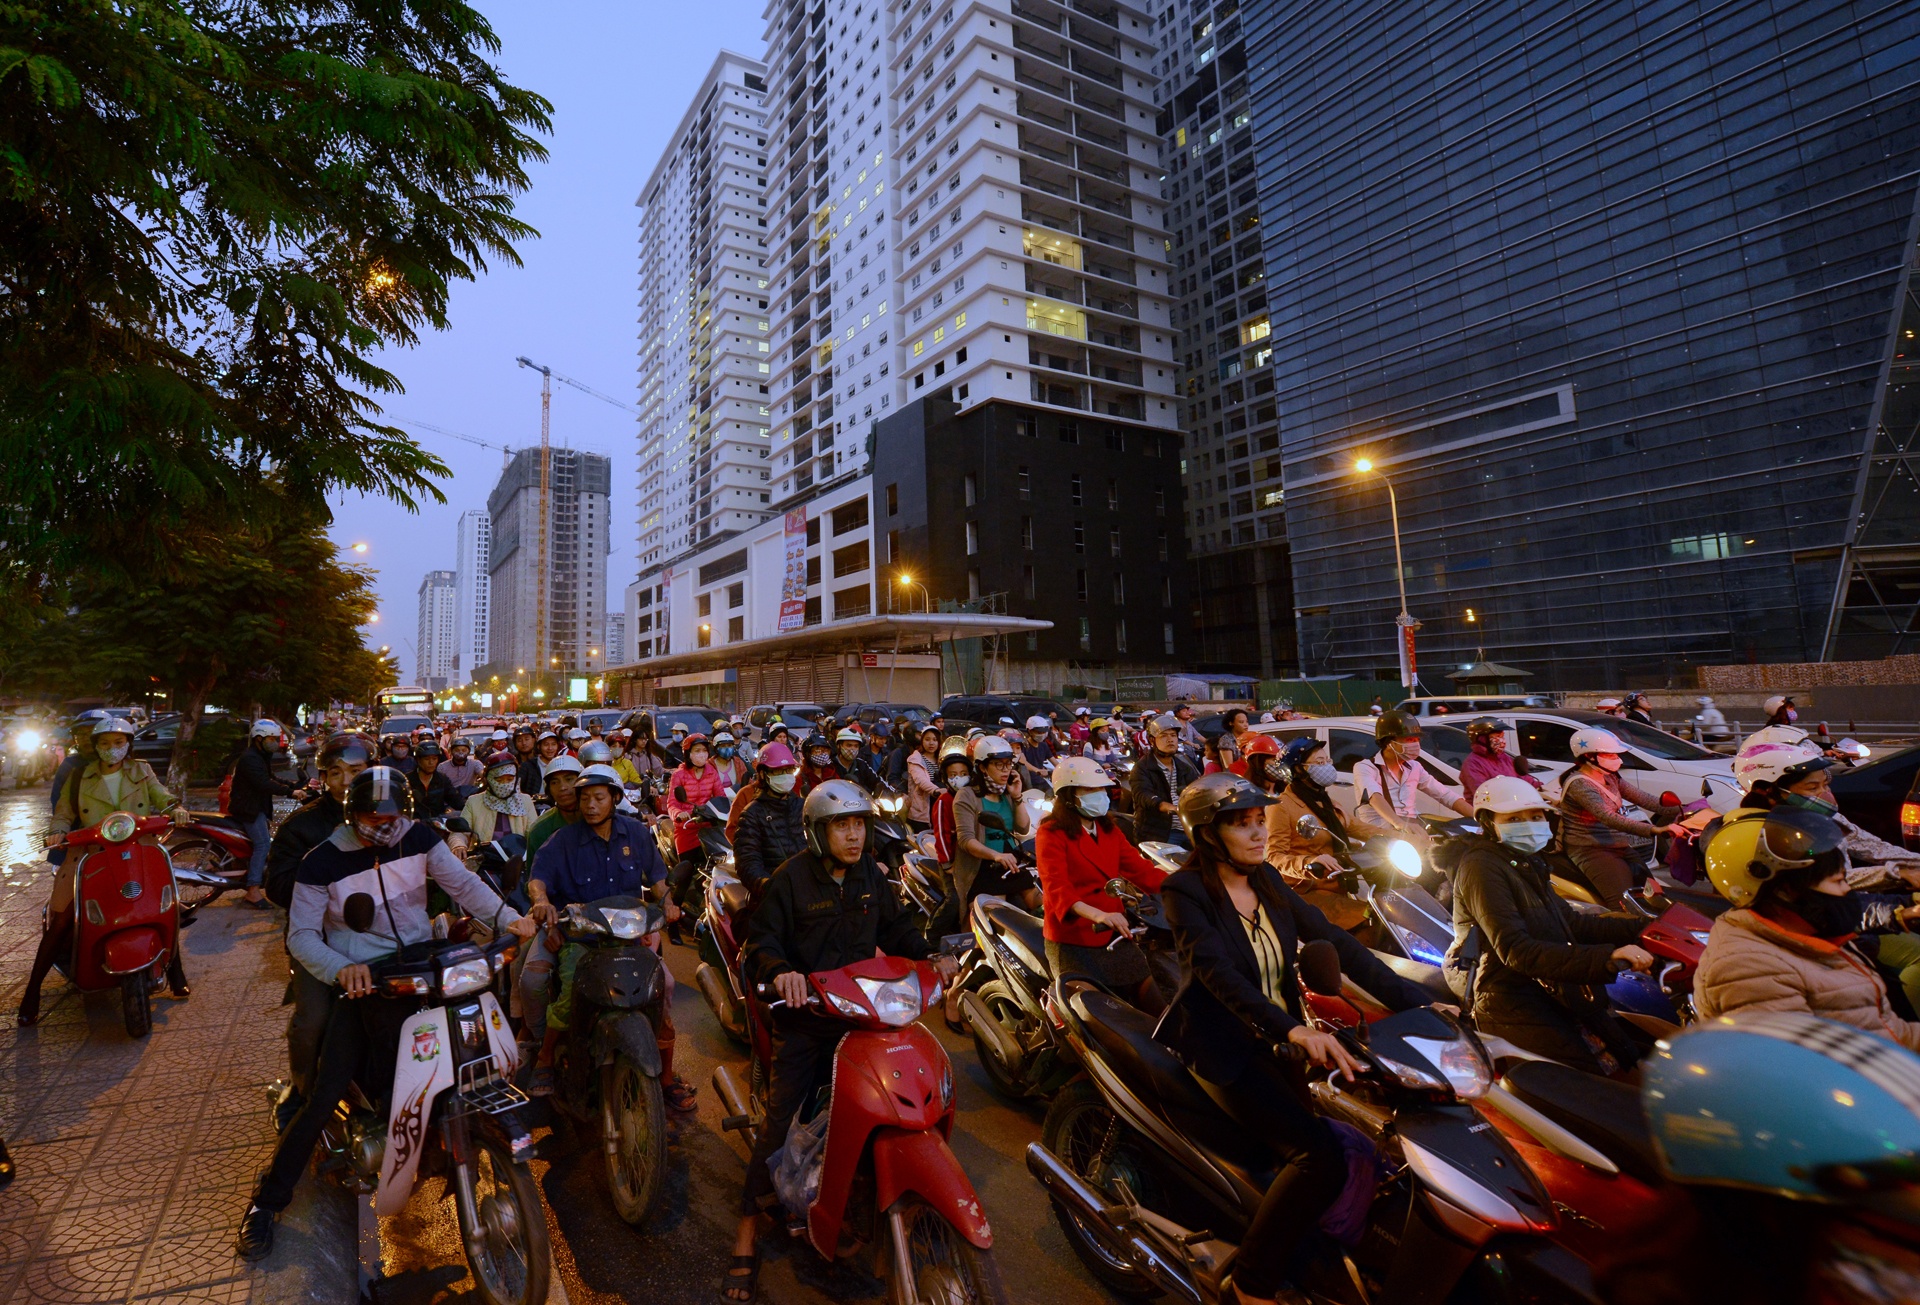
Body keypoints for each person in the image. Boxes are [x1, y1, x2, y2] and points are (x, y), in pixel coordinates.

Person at [1155, 773, 1441, 1305]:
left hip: (1280, 1045)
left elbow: (1336, 942)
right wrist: (1293, 1028)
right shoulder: (1184, 891)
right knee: (1319, 1157)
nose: (1258, 833)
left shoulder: (1267, 880)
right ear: (1209, 835)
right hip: (1224, 1049)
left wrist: (1421, 1002)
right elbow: (1217, 974)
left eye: (1260, 820)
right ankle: (1250, 1284)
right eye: (1242, 824)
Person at [235, 767, 535, 1260]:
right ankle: (266, 1202)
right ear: (352, 815)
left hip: (423, 965)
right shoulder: (321, 862)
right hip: (366, 979)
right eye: (373, 817)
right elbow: (302, 936)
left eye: (392, 817)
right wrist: (343, 968)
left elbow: (462, 885)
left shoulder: (417, 836)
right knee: (323, 1094)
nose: (384, 826)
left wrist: (508, 919)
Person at [722, 781, 952, 1302]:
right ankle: (747, 1231)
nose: (853, 835)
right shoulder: (790, 879)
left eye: (858, 825)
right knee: (780, 1123)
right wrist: (783, 973)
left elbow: (899, 931)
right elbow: (762, 944)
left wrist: (931, 956)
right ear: (819, 832)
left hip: (863, 1016)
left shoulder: (872, 874)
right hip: (807, 1020)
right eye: (841, 826)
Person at [1450, 776, 1654, 1075]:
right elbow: (1516, 951)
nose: (1529, 824)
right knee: (1599, 1089)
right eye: (1514, 818)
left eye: (1535, 816)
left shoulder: (1526, 860)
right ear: (1488, 823)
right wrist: (1606, 958)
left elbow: (1570, 922)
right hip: (1513, 998)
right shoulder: (1482, 866)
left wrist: (1645, 928)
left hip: (1554, 987)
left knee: (1632, 1060)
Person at [521, 765, 694, 1105]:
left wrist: (668, 903)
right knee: (573, 989)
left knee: (665, 987)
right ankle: (545, 1056)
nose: (590, 805)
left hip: (628, 938)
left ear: (615, 798)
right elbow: (538, 877)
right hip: (583, 939)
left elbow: (658, 879)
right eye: (585, 798)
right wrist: (541, 901)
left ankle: (668, 1076)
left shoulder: (636, 834)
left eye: (598, 798)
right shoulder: (564, 840)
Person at [1696, 810, 1920, 1052]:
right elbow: (1803, 1070)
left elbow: (1887, 1031)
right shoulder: (1749, 970)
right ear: (1787, 891)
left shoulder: (1811, 935)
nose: (1848, 891)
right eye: (1838, 882)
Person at [23, 717, 192, 1025]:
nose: (112, 749)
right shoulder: (79, 776)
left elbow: (160, 795)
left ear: (128, 744)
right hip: (90, 853)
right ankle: (32, 992)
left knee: (166, 905)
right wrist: (57, 833)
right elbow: (62, 814)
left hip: (139, 848)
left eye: (118, 743)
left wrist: (174, 809)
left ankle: (176, 969)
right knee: (62, 918)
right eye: (104, 744)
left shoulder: (141, 770)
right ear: (95, 747)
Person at [264, 732, 375, 1127]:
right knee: (312, 1021)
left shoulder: (393, 814)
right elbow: (275, 885)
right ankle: (301, 1088)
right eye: (336, 774)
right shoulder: (303, 825)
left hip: (381, 936)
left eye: (357, 772)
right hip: (318, 939)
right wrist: (327, 888)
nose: (347, 782)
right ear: (323, 777)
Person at [1037, 758, 1170, 1012]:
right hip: (1074, 937)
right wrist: (1099, 914)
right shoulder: (1051, 832)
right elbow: (1056, 888)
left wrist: (1187, 885)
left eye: (1101, 790)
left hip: (1115, 934)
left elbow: (1140, 870)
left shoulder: (1108, 829)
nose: (1099, 796)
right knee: (1091, 1015)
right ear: (1068, 796)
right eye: (1089, 790)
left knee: (1157, 999)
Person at [1559, 726, 1684, 909]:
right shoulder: (1580, 784)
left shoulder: (1611, 777)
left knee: (1653, 894)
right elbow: (1608, 817)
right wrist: (1654, 830)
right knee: (1625, 903)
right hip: (1591, 850)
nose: (1617, 759)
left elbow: (1645, 799)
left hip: (1619, 845)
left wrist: (1685, 810)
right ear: (1589, 756)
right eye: (1610, 755)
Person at [1259, 737, 1369, 932]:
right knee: (1364, 923)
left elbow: (1359, 827)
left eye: (1327, 761)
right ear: (1298, 769)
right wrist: (1309, 862)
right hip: (1308, 889)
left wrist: (1404, 834)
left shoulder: (1326, 802)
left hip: (1340, 884)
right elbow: (1274, 857)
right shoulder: (1282, 807)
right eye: (1319, 763)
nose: (1326, 766)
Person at [1349, 710, 1473, 848]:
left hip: (1413, 834)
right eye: (1409, 740)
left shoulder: (1415, 767)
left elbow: (1445, 795)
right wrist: (1399, 823)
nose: (1415, 745)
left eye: (1417, 740)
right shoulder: (1365, 767)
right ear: (1389, 742)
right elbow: (1374, 797)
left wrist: (1480, 817)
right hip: (1381, 840)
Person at [952, 735, 1037, 914]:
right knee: (997, 917)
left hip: (1012, 862)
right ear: (982, 767)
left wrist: (1017, 796)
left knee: (1041, 902)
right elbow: (966, 840)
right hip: (983, 866)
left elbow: (1023, 828)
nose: (1006, 770)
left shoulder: (1007, 792)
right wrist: (996, 856)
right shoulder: (966, 796)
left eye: (1008, 764)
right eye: (999, 764)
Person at [230, 719, 302, 908]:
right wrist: (290, 792)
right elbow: (263, 784)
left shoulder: (260, 756)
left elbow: (270, 778)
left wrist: (293, 785)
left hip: (256, 806)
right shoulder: (250, 759)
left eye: (276, 738)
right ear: (259, 739)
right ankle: (253, 890)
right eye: (272, 738)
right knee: (263, 845)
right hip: (249, 809)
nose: (275, 742)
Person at [664, 733, 729, 928]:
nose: (701, 754)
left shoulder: (711, 771)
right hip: (687, 828)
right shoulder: (679, 775)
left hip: (709, 827)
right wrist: (679, 815)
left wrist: (728, 811)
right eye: (696, 751)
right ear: (687, 754)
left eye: (704, 750)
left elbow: (721, 796)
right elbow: (672, 803)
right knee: (687, 870)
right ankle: (672, 921)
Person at [731, 743, 806, 897]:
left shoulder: (803, 807)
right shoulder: (752, 814)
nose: (785, 776)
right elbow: (747, 862)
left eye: (789, 770)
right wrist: (766, 885)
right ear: (763, 774)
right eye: (778, 771)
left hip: (808, 889)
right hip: (776, 896)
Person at [1132, 713, 1200, 846]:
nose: (1170, 740)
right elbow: (1143, 795)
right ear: (1152, 741)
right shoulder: (1142, 768)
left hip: (1188, 828)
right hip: (1161, 833)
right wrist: (1169, 807)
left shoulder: (1184, 766)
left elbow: (1198, 789)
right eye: (1164, 735)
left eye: (1173, 735)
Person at [461, 751, 538, 846]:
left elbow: (534, 833)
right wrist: (459, 845)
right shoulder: (474, 802)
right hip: (484, 858)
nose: (505, 784)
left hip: (517, 857)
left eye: (509, 779)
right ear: (488, 779)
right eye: (499, 780)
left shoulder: (525, 801)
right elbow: (460, 832)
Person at [1458, 717, 1542, 798]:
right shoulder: (1473, 764)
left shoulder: (1504, 758)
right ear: (1482, 739)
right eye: (1497, 736)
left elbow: (1523, 778)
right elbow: (1483, 794)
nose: (1502, 740)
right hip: (1489, 811)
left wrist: (1542, 788)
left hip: (1515, 807)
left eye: (1502, 736)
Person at [523, 754, 584, 866]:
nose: (562, 787)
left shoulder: (597, 819)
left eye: (569, 779)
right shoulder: (540, 831)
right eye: (555, 782)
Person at [405, 740, 459, 820]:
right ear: (418, 760)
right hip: (414, 826)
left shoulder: (442, 779)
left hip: (438, 826)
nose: (431, 762)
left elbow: (456, 801)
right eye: (427, 759)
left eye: (434, 759)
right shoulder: (407, 780)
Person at [512, 725, 543, 795]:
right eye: (519, 740)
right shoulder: (513, 762)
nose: (524, 743)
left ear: (534, 740)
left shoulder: (541, 760)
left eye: (527, 739)